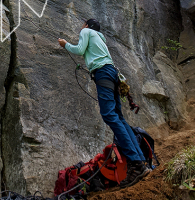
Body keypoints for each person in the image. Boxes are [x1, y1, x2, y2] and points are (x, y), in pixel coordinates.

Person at [58, 18, 150, 189]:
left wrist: (65, 45)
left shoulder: (86, 32)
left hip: (103, 73)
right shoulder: (100, 38)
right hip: (112, 73)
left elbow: (79, 49)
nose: (81, 27)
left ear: (87, 25)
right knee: (119, 118)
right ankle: (140, 161)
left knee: (109, 115)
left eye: (82, 24)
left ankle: (136, 163)